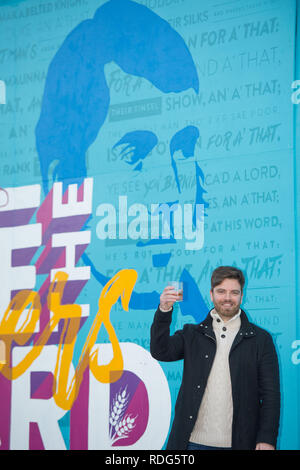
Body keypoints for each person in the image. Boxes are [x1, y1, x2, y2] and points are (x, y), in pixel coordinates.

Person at [150, 266, 281, 450]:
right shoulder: (192, 334)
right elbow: (160, 351)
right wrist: (164, 310)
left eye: (234, 292)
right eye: (221, 291)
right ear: (211, 295)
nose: (227, 298)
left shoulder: (260, 339)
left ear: (241, 296)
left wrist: (267, 438)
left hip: (241, 443)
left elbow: (270, 395)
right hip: (191, 443)